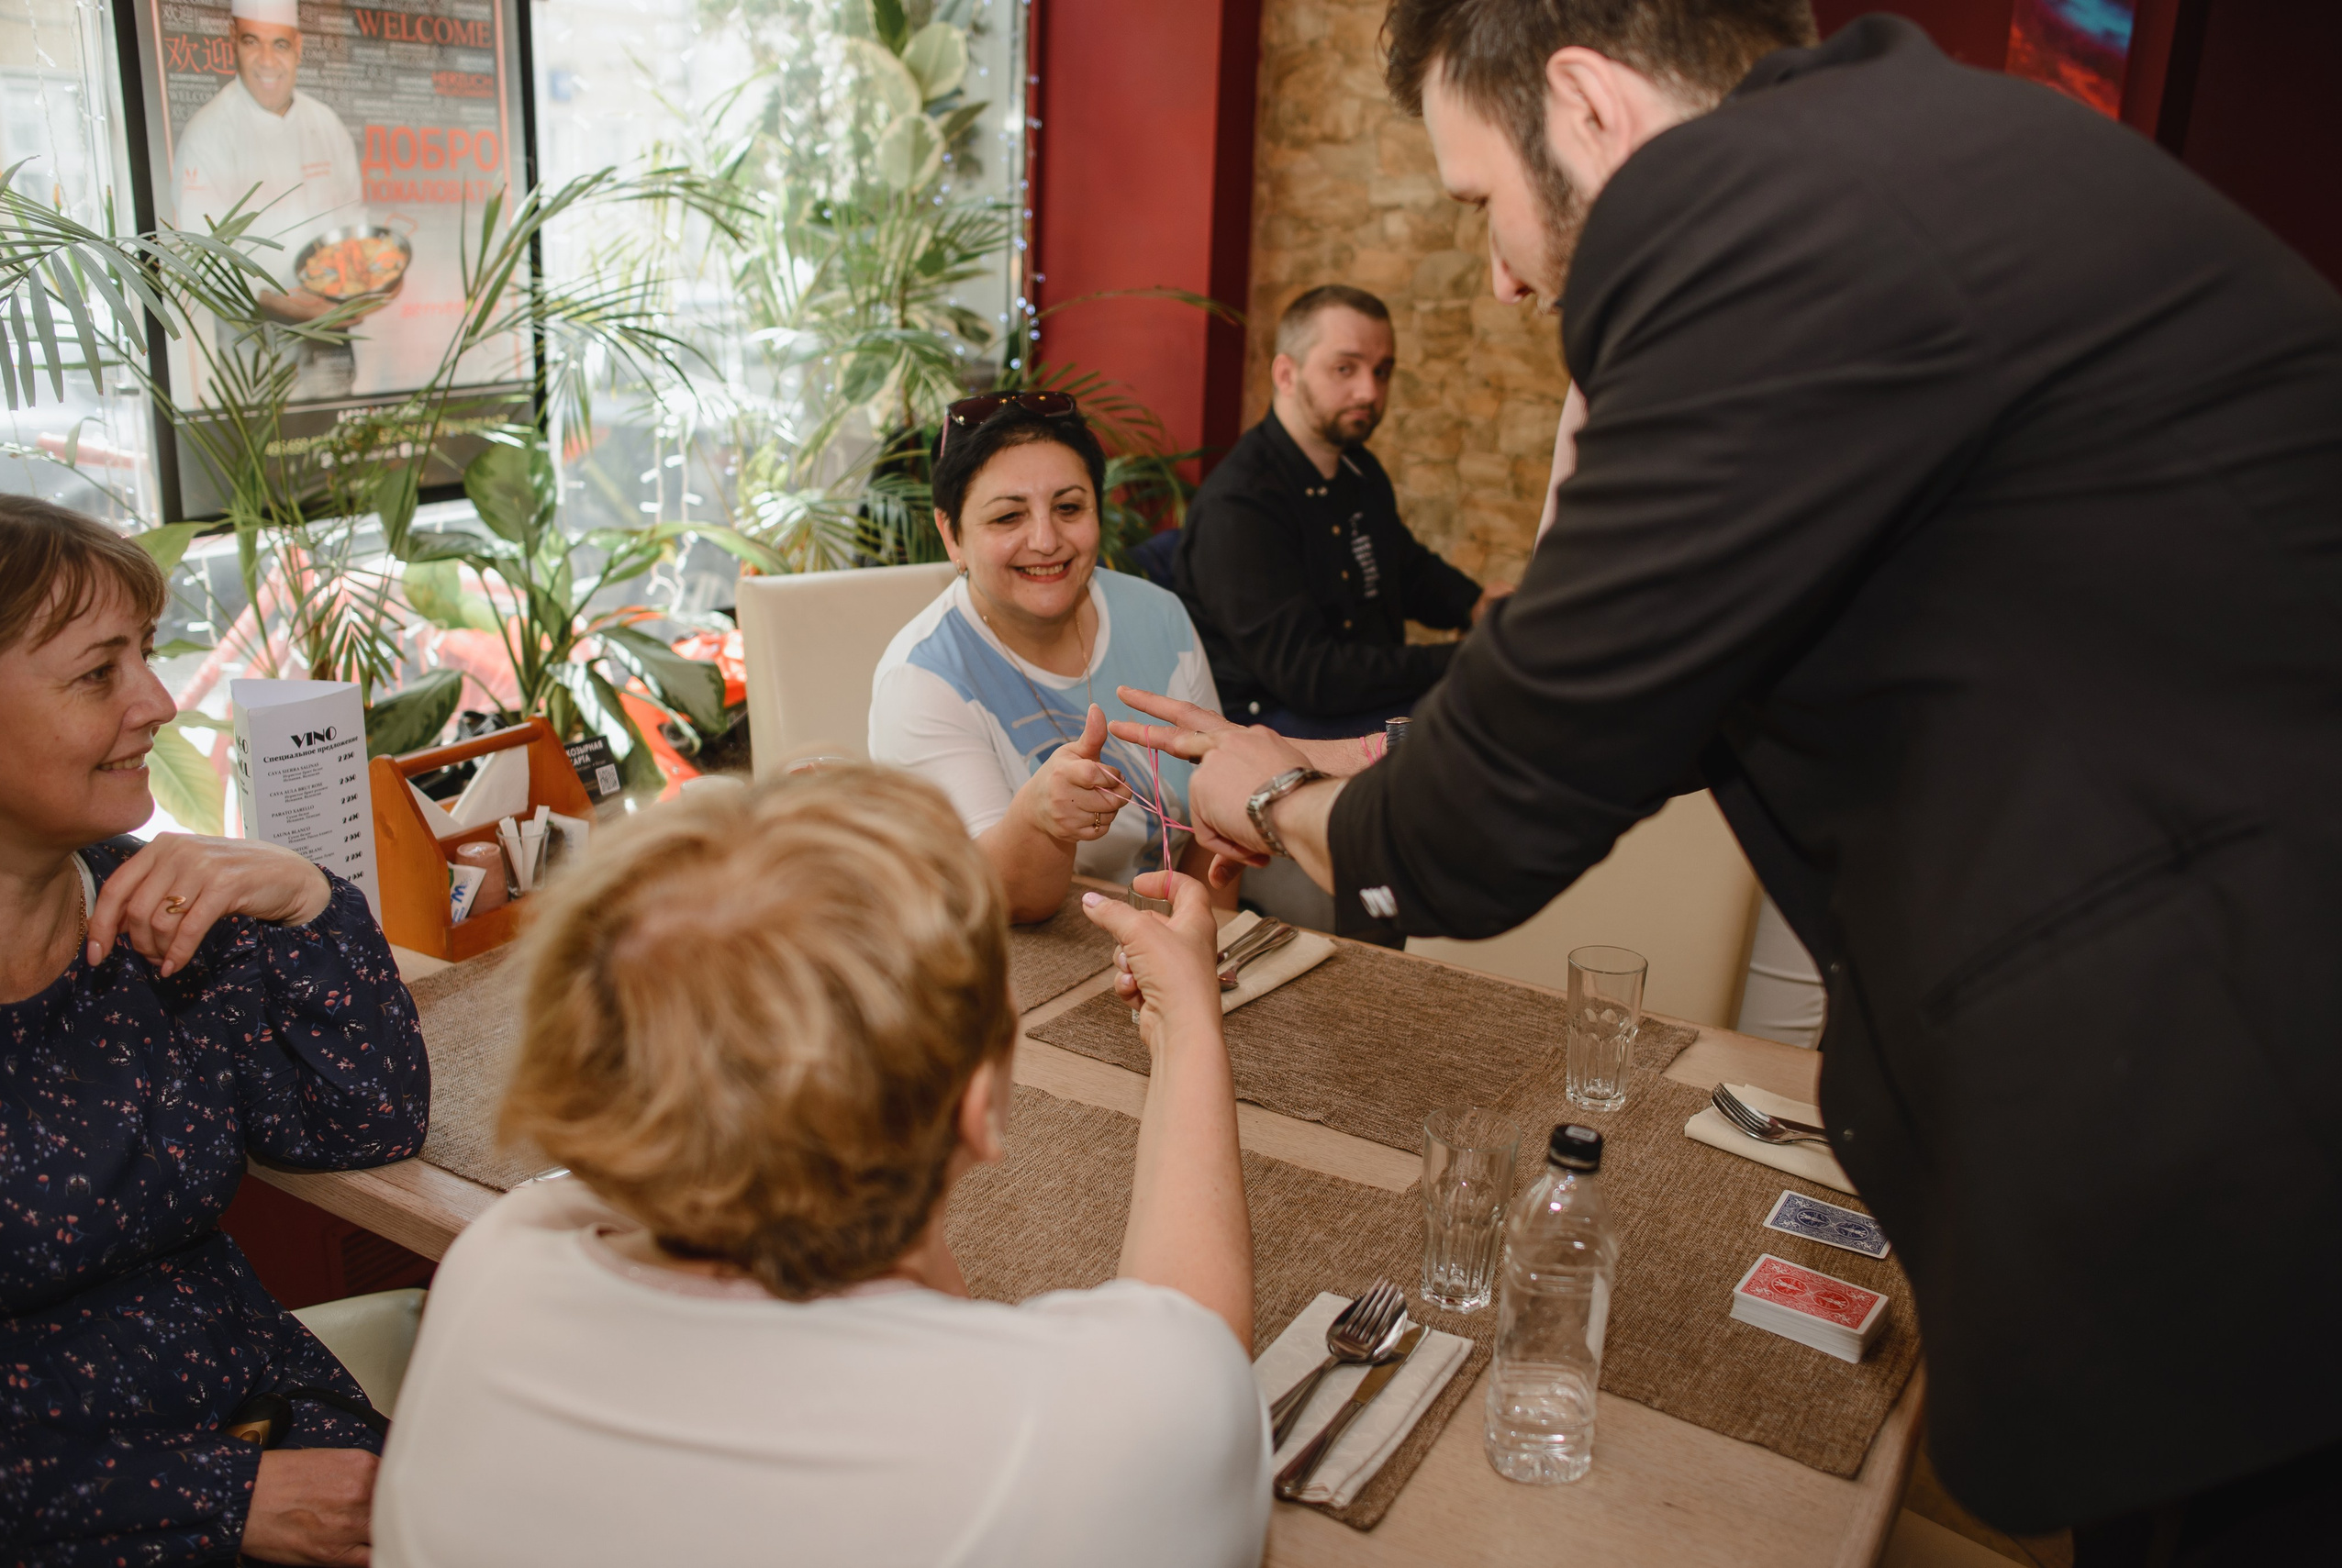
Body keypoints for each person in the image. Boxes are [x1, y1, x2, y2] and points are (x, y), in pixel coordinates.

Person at [1109, 1, 2342, 1558]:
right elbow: (1668, 697)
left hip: (2252, 1129)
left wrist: (1267, 800)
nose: (1502, 273)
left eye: (1485, 202)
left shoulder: (1755, 224)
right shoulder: (1921, 161)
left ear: (1591, 105)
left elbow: (1494, 824)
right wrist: (1369, 751)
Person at [370, 767, 1267, 1567]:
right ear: (975, 1109)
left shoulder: (496, 1268)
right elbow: (1190, 1341)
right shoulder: (1082, 1441)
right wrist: (1189, 1023)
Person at [0, 496, 430, 1564]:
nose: (156, 701)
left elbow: (361, 1122)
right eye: (100, 672)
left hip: (287, 1436)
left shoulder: (160, 923)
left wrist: (306, 899)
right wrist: (218, 1495)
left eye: (146, 654)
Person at [870, 393, 1232, 922]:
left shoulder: (1160, 617)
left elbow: (1214, 822)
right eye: (1008, 516)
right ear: (952, 535)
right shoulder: (922, 679)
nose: (1045, 540)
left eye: (1068, 508)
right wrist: (1039, 819)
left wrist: (1206, 942)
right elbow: (995, 899)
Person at [1174, 284, 1511, 740]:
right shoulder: (1240, 505)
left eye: (1383, 371)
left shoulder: (1357, 468)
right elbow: (1311, 677)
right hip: (1271, 728)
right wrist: (1467, 658)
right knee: (1491, 723)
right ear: (1286, 375)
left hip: (1357, 701)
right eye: (1344, 368)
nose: (1369, 391)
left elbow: (1403, 567)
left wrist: (1474, 605)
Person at [171, 0, 368, 397]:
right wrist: (294, 306)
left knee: (342, 449)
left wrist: (364, 285)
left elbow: (353, 223)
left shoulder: (325, 124)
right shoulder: (207, 134)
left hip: (332, 344)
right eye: (251, 42)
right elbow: (200, 261)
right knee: (268, 455)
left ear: (297, 47)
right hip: (256, 360)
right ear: (233, 42)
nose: (266, 61)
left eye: (279, 44)